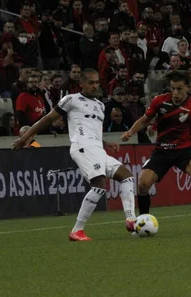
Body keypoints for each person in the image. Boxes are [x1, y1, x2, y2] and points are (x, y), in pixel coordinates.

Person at [12, 68, 138, 241]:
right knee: (99, 185)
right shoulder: (71, 100)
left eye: (96, 83)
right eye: (90, 83)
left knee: (127, 177)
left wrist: (106, 144)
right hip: (82, 147)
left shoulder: (100, 105)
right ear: (82, 84)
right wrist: (26, 137)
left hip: (96, 148)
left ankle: (131, 220)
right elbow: (48, 119)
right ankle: (77, 230)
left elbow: (92, 131)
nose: (95, 86)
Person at [121, 71, 191, 230]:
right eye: (173, 88)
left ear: (188, 88)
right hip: (162, 151)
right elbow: (145, 120)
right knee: (142, 184)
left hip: (184, 151)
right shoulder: (160, 101)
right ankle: (143, 221)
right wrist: (130, 132)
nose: (175, 93)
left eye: (179, 89)